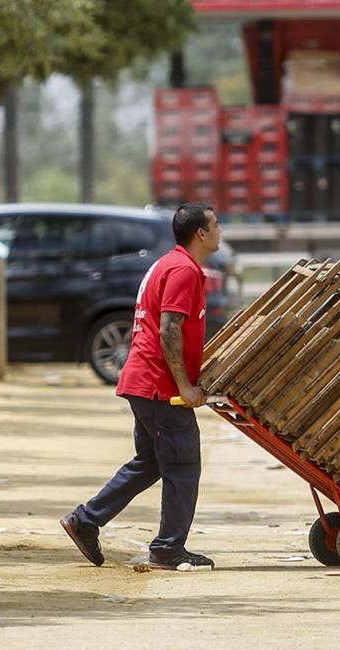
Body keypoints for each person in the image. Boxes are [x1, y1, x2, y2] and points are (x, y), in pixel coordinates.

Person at [61, 203, 222, 571]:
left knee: (150, 462)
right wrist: (185, 386)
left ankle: (85, 520)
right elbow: (169, 329)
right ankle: (168, 548)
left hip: (145, 380)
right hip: (159, 385)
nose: (220, 231)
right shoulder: (183, 270)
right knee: (183, 463)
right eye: (215, 225)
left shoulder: (171, 264)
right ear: (200, 233)